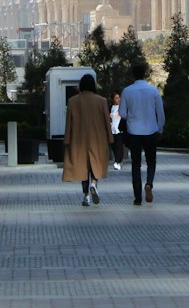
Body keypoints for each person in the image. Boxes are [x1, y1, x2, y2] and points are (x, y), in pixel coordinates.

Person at [62, 73, 112, 206]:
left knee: (83, 168)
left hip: (79, 140)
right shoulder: (102, 101)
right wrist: (110, 138)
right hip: (98, 139)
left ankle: (86, 196)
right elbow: (107, 122)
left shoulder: (72, 101)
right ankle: (94, 184)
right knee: (96, 165)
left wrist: (67, 139)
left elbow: (69, 123)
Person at [119, 64, 165, 206]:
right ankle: (149, 183)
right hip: (151, 130)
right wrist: (160, 129)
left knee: (136, 164)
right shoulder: (153, 91)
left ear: (133, 74)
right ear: (145, 74)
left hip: (133, 132)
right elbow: (161, 113)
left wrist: (132, 116)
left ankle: (137, 197)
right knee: (151, 161)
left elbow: (122, 113)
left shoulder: (127, 91)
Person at [109, 91, 125, 170]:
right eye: (116, 98)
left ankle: (117, 162)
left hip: (119, 130)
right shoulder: (110, 108)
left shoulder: (122, 108)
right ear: (113, 99)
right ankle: (118, 161)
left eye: (119, 97)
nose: (118, 99)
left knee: (119, 147)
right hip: (112, 130)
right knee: (114, 147)